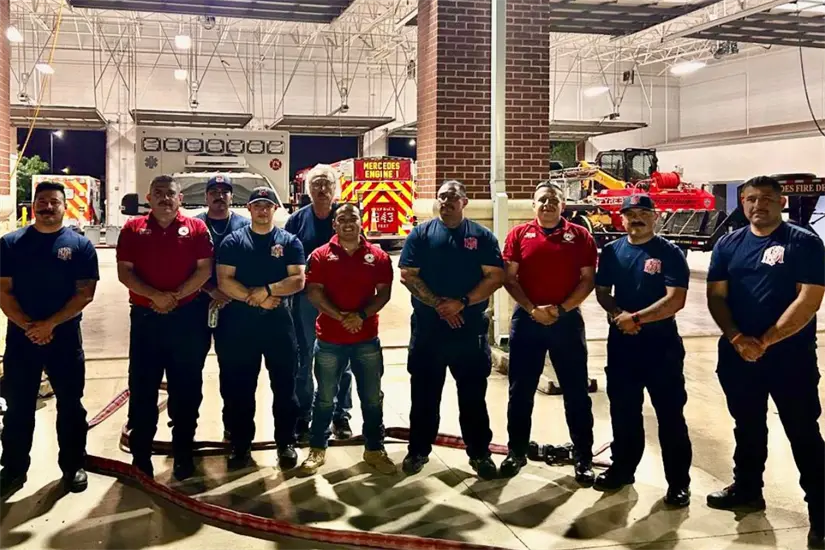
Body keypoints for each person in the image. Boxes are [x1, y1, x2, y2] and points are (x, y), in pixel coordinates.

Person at [706, 175, 825, 548]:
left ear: (781, 202)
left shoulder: (804, 242)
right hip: (739, 355)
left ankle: (822, 512)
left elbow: (808, 299)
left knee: (803, 432)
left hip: (790, 357)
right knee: (747, 426)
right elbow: (716, 296)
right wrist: (737, 338)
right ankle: (747, 489)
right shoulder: (728, 244)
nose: (759, 205)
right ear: (743, 202)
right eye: (752, 199)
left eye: (768, 198)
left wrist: (767, 340)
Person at [399, 180, 505, 480]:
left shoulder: (481, 236)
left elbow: (495, 276)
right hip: (428, 329)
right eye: (441, 196)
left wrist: (462, 303)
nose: (445, 201)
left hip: (468, 329)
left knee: (472, 397)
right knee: (424, 394)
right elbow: (407, 274)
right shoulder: (421, 234)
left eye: (452, 197)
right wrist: (439, 305)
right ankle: (418, 450)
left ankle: (480, 453)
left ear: (464, 202)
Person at [0, 182, 99, 498]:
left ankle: (73, 466)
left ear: (64, 206)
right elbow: (3, 291)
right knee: (18, 407)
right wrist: (30, 327)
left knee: (71, 406)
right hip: (21, 338)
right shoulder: (10, 244)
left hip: (65, 337)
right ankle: (13, 469)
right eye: (41, 201)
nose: (47, 207)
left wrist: (50, 325)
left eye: (54, 202)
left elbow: (85, 293)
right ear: (33, 205)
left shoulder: (80, 246)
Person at [594, 194, 692, 507]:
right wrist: (617, 314)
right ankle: (623, 469)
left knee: (670, 415)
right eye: (630, 213)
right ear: (621, 218)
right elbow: (602, 291)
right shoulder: (612, 251)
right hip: (622, 344)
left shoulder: (670, 253)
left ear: (655, 217)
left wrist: (636, 319)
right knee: (623, 411)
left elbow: (675, 299)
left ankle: (678, 483)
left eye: (643, 213)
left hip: (660, 345)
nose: (636, 218)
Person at [116, 175, 213, 481]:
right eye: (158, 193)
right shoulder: (132, 229)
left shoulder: (196, 228)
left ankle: (183, 453)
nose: (164, 198)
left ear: (179, 198)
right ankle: (141, 457)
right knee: (143, 387)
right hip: (146, 319)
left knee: (187, 388)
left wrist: (174, 297)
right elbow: (124, 272)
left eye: (170, 193)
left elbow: (204, 270)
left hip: (187, 319)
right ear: (149, 198)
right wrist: (154, 297)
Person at [500, 182, 597, 483]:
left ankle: (583, 457)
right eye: (542, 200)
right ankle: (516, 452)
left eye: (554, 199)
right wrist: (532, 309)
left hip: (566, 321)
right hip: (527, 320)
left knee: (576, 391)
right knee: (520, 390)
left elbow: (588, 280)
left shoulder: (580, 236)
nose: (548, 204)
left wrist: (562, 310)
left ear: (563, 205)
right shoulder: (518, 235)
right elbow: (509, 278)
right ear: (534, 205)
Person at [297, 203, 396, 476]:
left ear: (362, 222)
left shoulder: (378, 256)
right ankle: (317, 449)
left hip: (367, 340)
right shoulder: (320, 256)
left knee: (372, 398)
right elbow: (313, 292)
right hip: (329, 340)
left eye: (353, 218)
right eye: (342, 219)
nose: (348, 223)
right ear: (334, 224)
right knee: (324, 398)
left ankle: (375, 449)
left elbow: (384, 293)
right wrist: (341, 317)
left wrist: (360, 316)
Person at [217, 187, 305, 470]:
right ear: (249, 209)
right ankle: (240, 446)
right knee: (241, 388)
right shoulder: (233, 241)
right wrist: (254, 299)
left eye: (268, 206)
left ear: (275, 209)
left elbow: (298, 280)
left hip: (279, 324)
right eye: (258, 206)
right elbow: (224, 280)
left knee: (285, 387)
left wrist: (267, 290)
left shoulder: (289, 241)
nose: (263, 210)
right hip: (241, 326)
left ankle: (286, 443)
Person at [286, 165, 353, 442]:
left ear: (335, 188)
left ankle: (340, 415)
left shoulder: (346, 217)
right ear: (308, 189)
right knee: (304, 356)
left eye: (327, 184)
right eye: (316, 184)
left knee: (341, 357)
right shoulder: (296, 221)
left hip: (341, 300)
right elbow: (286, 260)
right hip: (305, 300)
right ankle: (304, 414)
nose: (322, 189)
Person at [193, 175, 250, 439]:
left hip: (234, 308)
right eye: (214, 191)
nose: (219, 196)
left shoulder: (244, 226)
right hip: (195, 306)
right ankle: (186, 428)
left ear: (231, 196)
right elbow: (185, 266)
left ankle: (234, 427)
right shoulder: (194, 226)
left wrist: (229, 292)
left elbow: (251, 265)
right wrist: (210, 290)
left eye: (224, 191)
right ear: (206, 197)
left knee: (233, 370)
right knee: (190, 369)